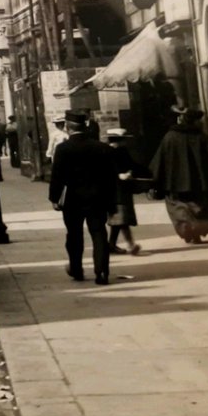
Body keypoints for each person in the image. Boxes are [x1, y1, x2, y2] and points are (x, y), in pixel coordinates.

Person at [48, 110, 117, 285]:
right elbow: (110, 177)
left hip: (73, 199)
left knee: (74, 234)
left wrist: (54, 198)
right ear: (85, 127)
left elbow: (57, 176)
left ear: (67, 128)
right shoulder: (102, 148)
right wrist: (111, 201)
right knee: (99, 233)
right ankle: (101, 273)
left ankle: (76, 269)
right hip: (97, 198)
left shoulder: (63, 149)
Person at [149, 106, 208, 244]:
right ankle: (196, 233)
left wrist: (154, 179)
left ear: (180, 120)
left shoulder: (170, 137)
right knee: (201, 208)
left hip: (175, 184)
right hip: (200, 184)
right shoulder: (201, 137)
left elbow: (160, 160)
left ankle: (189, 232)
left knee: (180, 209)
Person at [105, 128, 142, 255]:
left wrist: (132, 172)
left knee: (118, 219)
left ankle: (111, 244)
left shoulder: (122, 151)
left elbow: (132, 165)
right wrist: (119, 175)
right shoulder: (108, 152)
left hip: (122, 189)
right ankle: (131, 245)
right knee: (122, 218)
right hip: (114, 190)